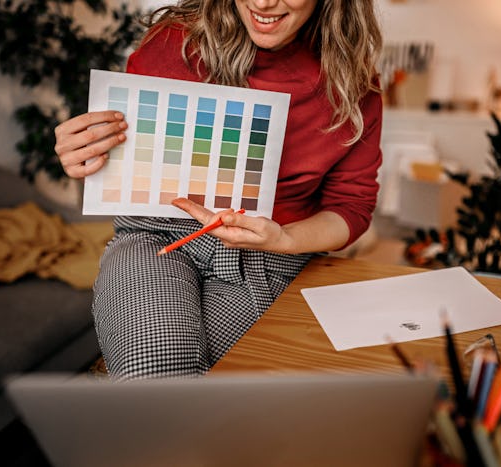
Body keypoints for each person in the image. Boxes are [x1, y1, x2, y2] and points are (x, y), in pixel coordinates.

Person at [54, 0, 383, 380]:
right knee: (154, 372)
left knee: (225, 388)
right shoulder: (173, 42)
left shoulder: (355, 85)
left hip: (271, 254)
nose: (263, 3)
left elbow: (352, 207)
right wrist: (84, 153)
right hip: (158, 236)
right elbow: (123, 155)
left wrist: (284, 238)